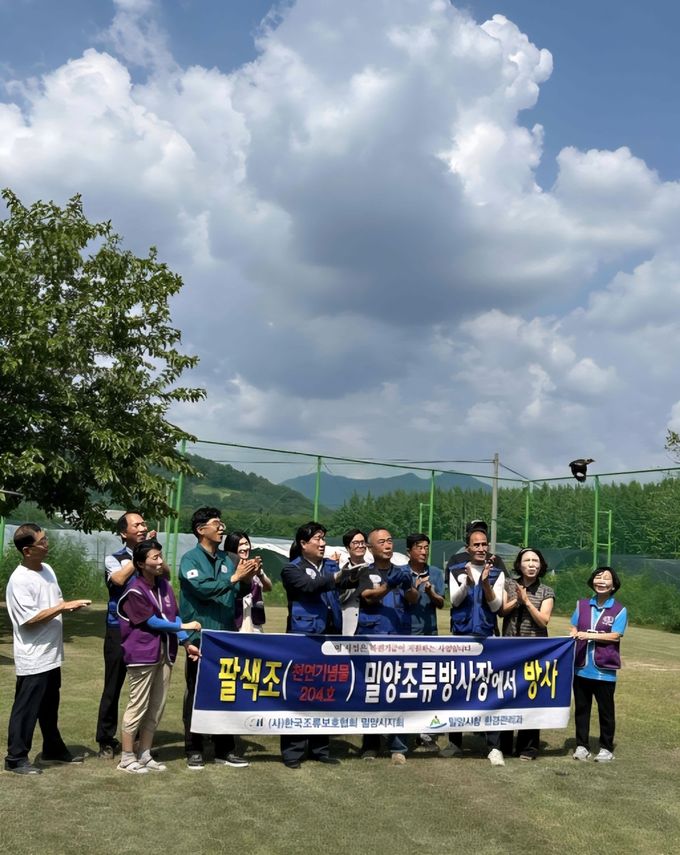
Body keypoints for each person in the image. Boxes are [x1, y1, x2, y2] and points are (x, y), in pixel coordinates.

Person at [4, 524, 91, 775]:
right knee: (26, 708)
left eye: (46, 539)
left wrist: (67, 606)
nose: (47, 545)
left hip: (52, 654)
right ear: (27, 550)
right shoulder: (19, 580)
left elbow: (56, 602)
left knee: (49, 707)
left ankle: (53, 748)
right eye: (42, 542)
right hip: (33, 656)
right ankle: (15, 758)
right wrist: (62, 608)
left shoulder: (48, 570)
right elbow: (29, 619)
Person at [179, 506, 258, 770]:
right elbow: (201, 589)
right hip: (200, 638)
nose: (221, 527)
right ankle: (194, 748)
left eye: (221, 522)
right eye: (216, 523)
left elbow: (239, 591)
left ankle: (225, 748)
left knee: (226, 691)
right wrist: (235, 577)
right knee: (196, 692)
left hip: (226, 636)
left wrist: (248, 576)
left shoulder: (229, 558)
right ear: (201, 530)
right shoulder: (190, 559)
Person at [116, 539, 201, 773]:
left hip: (165, 654)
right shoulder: (134, 590)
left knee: (157, 707)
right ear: (141, 564)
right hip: (142, 655)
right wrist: (185, 626)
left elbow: (173, 616)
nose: (161, 561)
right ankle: (126, 757)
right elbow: (152, 622)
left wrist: (186, 642)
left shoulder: (164, 586)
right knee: (138, 706)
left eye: (160, 556)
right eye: (155, 557)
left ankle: (144, 753)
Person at [280, 521, 354, 769]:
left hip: (331, 637)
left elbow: (343, 585)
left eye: (324, 538)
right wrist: (336, 577)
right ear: (303, 544)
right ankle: (293, 751)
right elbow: (309, 587)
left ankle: (320, 748)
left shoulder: (331, 565)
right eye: (317, 539)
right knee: (299, 693)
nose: (323, 543)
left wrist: (355, 576)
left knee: (325, 692)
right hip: (304, 638)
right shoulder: (292, 569)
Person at [441, 523, 506, 765]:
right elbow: (455, 601)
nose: (480, 548)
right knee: (457, 688)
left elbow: (496, 607)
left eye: (484, 544)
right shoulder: (456, 569)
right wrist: (467, 583)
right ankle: (455, 743)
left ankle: (494, 746)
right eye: (476, 544)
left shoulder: (496, 571)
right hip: (461, 637)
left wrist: (486, 584)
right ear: (468, 548)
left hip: (487, 637)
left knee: (490, 690)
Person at [95, 511, 157, 759]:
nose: (142, 528)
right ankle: (105, 739)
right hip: (118, 629)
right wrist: (140, 555)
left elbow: (162, 578)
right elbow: (119, 579)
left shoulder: (151, 557)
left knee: (142, 687)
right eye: (136, 525)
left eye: (144, 524)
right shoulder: (114, 558)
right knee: (113, 685)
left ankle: (138, 736)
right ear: (123, 533)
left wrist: (150, 555)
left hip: (144, 629)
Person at [356, 528, 418, 765]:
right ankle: (370, 744)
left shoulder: (402, 571)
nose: (387, 545)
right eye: (381, 542)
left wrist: (409, 587)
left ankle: (398, 746)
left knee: (398, 691)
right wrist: (389, 585)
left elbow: (413, 599)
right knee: (372, 692)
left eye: (390, 541)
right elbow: (368, 596)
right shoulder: (364, 572)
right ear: (370, 548)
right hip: (372, 639)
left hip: (399, 638)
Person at [501, 547, 554, 760]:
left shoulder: (546, 591)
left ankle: (528, 747)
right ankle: (503, 745)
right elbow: (502, 610)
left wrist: (528, 602)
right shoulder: (509, 584)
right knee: (507, 695)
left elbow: (544, 620)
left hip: (535, 652)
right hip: (509, 650)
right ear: (519, 564)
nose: (531, 564)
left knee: (531, 697)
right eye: (527, 560)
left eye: (535, 561)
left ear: (541, 566)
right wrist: (518, 600)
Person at [570, 566, 627, 762]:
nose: (601, 581)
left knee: (606, 711)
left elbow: (615, 635)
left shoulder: (619, 609)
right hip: (580, 668)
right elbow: (574, 627)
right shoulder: (582, 605)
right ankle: (581, 746)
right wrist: (574, 633)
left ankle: (606, 748)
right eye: (597, 577)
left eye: (606, 578)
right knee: (581, 710)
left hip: (604, 670)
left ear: (613, 585)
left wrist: (588, 635)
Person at [224, 530, 272, 633]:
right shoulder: (227, 568)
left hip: (255, 620)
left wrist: (260, 574)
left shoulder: (254, 565)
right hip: (236, 621)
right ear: (232, 546)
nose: (245, 547)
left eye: (246, 543)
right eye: (240, 544)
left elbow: (268, 588)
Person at [338, 528, 369, 636]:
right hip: (349, 626)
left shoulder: (373, 569)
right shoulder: (340, 571)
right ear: (348, 547)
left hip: (370, 625)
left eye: (362, 542)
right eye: (355, 543)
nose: (360, 546)